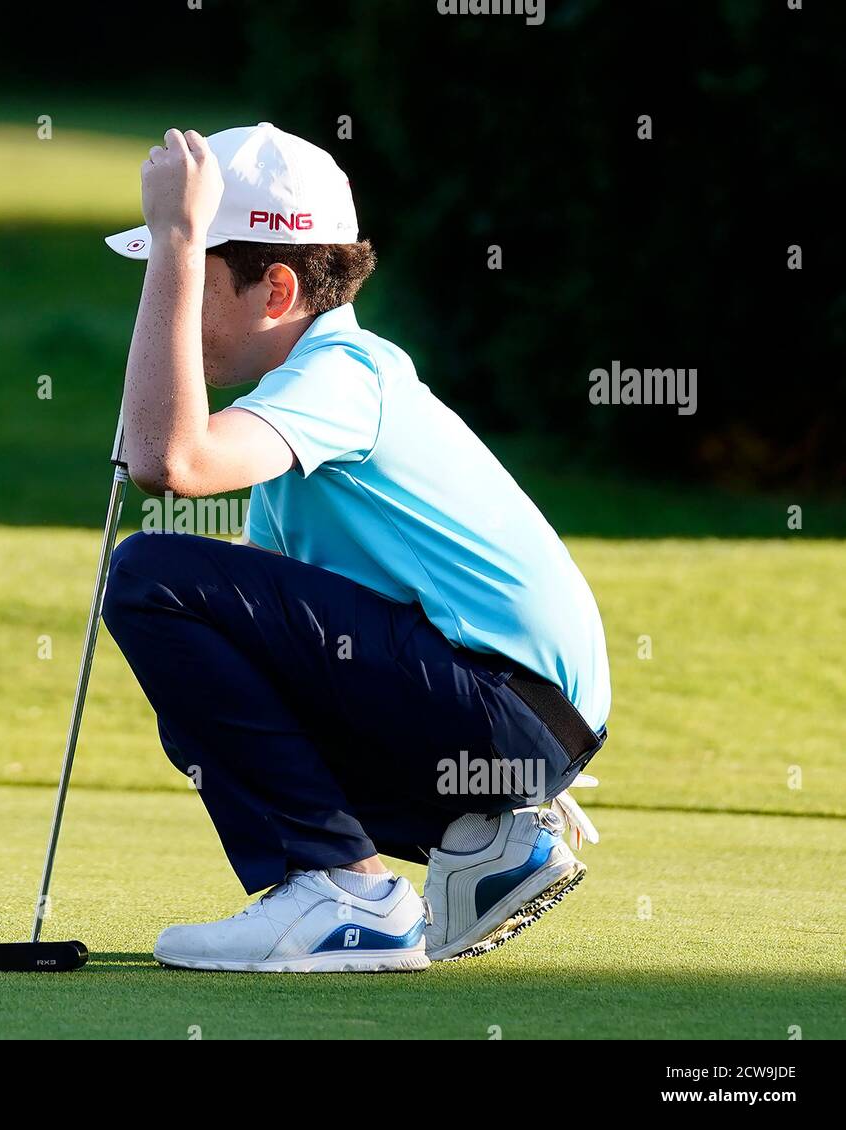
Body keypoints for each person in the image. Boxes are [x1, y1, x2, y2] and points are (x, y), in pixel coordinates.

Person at [101, 123, 610, 973]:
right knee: (204, 702)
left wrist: (178, 237)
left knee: (153, 575)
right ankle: (484, 838)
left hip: (506, 715)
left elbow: (169, 462)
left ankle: (346, 894)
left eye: (187, 279)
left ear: (275, 290)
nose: (167, 300)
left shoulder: (345, 375)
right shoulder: (307, 406)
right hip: (510, 724)